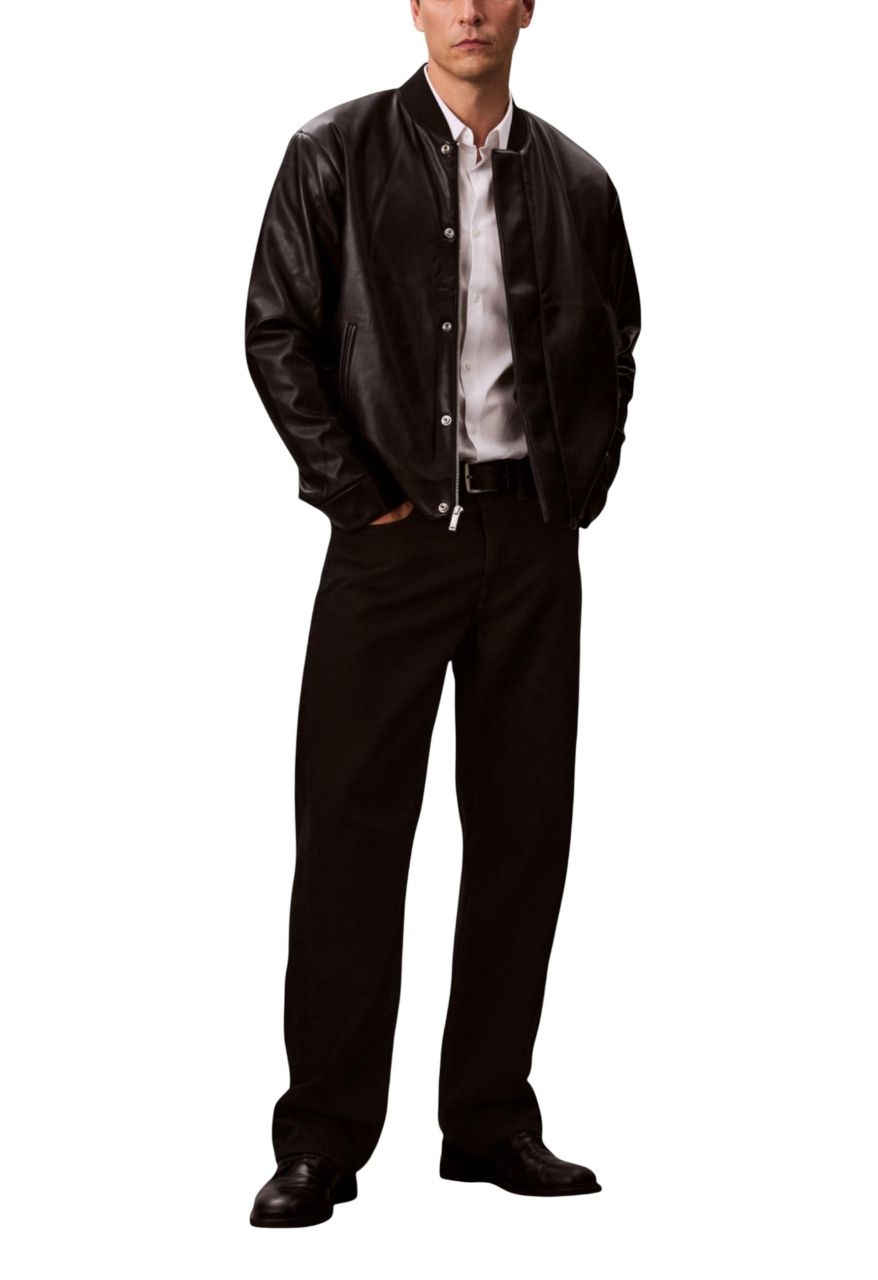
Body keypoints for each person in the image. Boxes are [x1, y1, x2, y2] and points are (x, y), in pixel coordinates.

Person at [244, 0, 640, 1229]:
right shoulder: (333, 153)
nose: (470, 8)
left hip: (532, 541)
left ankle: (487, 1119)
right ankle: (321, 1138)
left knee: (523, 832)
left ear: (526, 8)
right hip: (390, 540)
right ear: (415, 6)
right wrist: (357, 499)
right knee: (351, 833)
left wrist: (579, 486)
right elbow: (277, 332)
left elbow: (616, 340)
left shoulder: (578, 180)